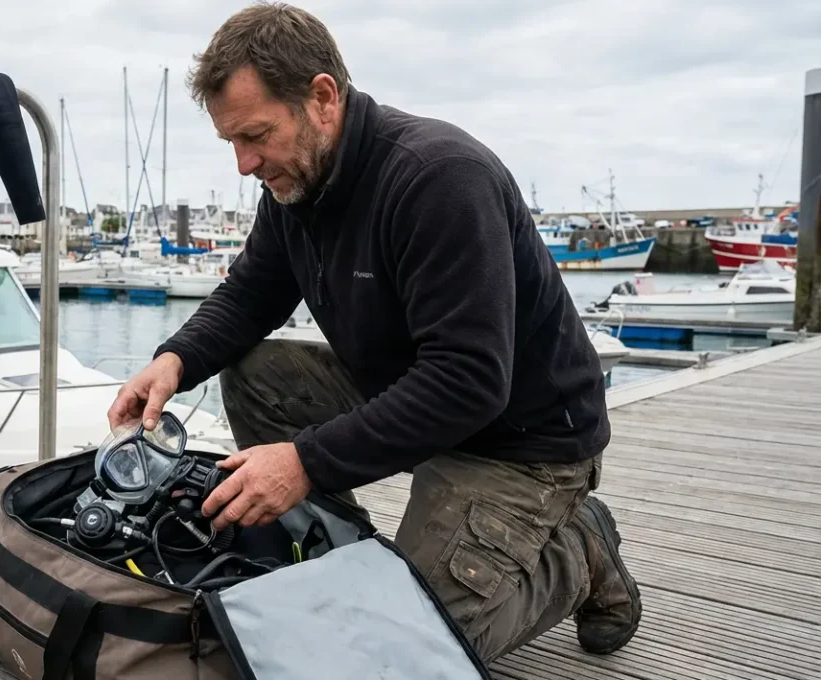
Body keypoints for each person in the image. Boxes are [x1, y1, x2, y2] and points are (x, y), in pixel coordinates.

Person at [106, 1, 642, 665]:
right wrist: (174, 361)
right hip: (410, 397)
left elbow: (468, 381)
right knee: (256, 375)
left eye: (257, 135)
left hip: (520, 441)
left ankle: (578, 551)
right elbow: (251, 293)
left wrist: (303, 462)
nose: (244, 164)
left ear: (323, 98)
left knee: (406, 652)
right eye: (232, 143)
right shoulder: (293, 185)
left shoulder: (439, 179)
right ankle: (345, 561)